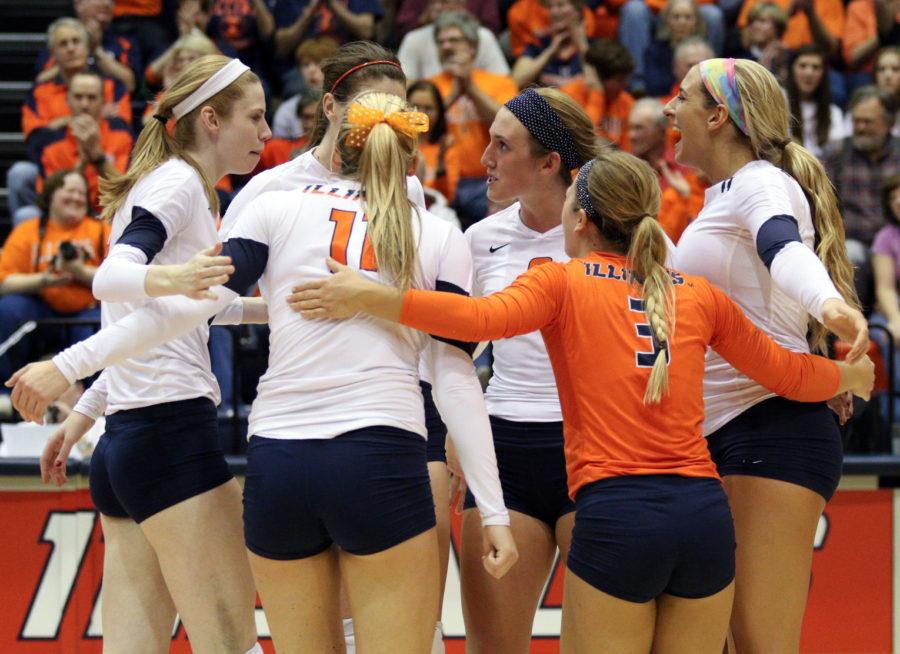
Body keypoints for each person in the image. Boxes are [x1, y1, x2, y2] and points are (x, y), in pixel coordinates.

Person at [285, 148, 875, 653]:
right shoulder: (699, 296)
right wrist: (849, 378)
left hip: (619, 516)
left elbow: (474, 317)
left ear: (582, 219)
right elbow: (791, 375)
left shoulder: (562, 279)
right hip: (703, 518)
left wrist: (374, 296)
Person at [9, 89, 518, 654]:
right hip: (378, 458)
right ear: (412, 159)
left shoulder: (277, 205)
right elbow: (454, 379)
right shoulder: (438, 232)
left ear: (336, 145)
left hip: (278, 465)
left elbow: (186, 312)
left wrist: (69, 368)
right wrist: (493, 512)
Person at [14, 55, 271, 653]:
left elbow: (165, 323)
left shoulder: (176, 187)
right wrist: (68, 369)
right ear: (211, 118)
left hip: (125, 443)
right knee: (233, 646)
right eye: (254, 118)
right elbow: (113, 279)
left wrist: (278, 307)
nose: (265, 133)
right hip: (171, 440)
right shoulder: (179, 182)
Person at [663, 57, 868, 652]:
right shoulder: (718, 197)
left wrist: (830, 308)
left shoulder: (760, 182)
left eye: (682, 99)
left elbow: (783, 248)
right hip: (712, 431)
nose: (670, 110)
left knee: (758, 643)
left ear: (718, 115)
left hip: (771, 424)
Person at [441, 86, 597, 653]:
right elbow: (453, 348)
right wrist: (459, 432)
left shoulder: (621, 235)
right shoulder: (479, 240)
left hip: (597, 450)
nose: (484, 160)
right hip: (504, 448)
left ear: (549, 163)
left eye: (502, 146)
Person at [0, 169, 109, 402]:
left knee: (105, 323)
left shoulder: (100, 230)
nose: (77, 197)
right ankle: (6, 394)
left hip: (86, 314)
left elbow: (120, 279)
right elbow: (4, 282)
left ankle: (100, 403)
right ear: (50, 195)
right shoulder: (28, 231)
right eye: (70, 190)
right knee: (10, 308)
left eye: (82, 193)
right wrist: (44, 280)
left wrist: (79, 271)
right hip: (43, 313)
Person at [429, 11, 518, 228]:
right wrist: (452, 95)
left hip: (487, 181)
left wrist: (470, 88)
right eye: (441, 42)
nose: (447, 46)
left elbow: (511, 127)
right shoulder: (429, 86)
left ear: (473, 47)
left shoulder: (500, 83)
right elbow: (422, 129)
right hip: (438, 181)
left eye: (454, 40)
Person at [34, 71, 134, 216]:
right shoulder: (52, 144)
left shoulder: (122, 138)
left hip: (110, 216)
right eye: (78, 97)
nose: (84, 104)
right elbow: (48, 201)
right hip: (67, 217)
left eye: (92, 97)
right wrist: (81, 163)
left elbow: (126, 193)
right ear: (67, 100)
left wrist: (98, 158)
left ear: (104, 101)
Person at [870, 172, 900, 419]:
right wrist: (896, 319)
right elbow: (886, 288)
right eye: (892, 196)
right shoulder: (886, 237)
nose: (898, 200)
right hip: (893, 307)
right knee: (886, 333)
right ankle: (895, 422)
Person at [511, 0, 589, 89]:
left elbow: (594, 82)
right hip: (545, 102)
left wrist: (581, 42)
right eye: (550, 7)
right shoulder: (539, 44)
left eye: (561, 5)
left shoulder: (591, 45)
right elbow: (515, 82)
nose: (554, 11)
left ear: (577, 11)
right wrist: (550, 51)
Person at [408, 80, 462, 205]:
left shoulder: (447, 146)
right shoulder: (395, 143)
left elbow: (447, 197)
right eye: (415, 107)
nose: (421, 114)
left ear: (439, 112)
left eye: (428, 108)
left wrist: (441, 160)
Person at [785, 45, 845, 158]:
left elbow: (837, 155)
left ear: (823, 74)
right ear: (791, 69)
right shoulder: (778, 106)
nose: (809, 73)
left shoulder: (834, 112)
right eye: (802, 66)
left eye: (816, 67)